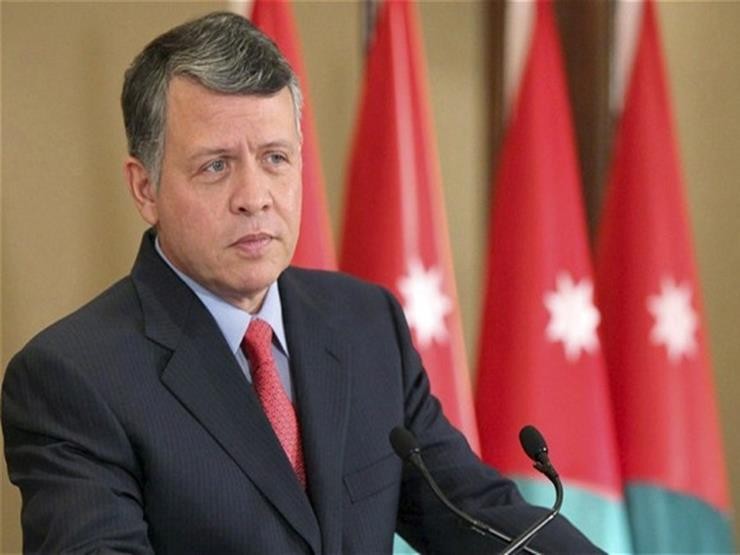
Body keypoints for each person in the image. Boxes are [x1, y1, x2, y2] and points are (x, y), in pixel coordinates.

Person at [2, 11, 601, 554]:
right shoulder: (72, 379)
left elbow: (479, 515)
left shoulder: (366, 324)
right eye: (216, 166)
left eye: (275, 158)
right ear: (145, 188)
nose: (254, 197)